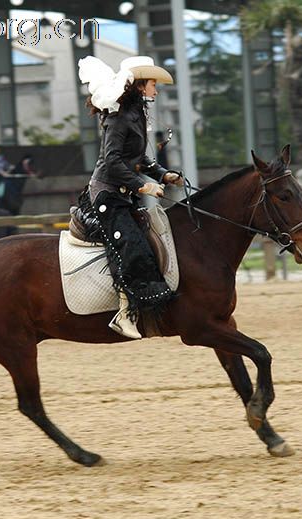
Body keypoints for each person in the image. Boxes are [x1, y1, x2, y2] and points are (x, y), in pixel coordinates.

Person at [77, 55, 184, 339]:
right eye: (152, 85)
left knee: (148, 242)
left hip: (123, 195)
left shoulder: (135, 115)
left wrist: (163, 175)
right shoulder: (119, 118)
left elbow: (139, 159)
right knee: (132, 246)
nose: (156, 91)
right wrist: (143, 186)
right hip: (107, 194)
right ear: (139, 87)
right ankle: (124, 314)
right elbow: (112, 162)